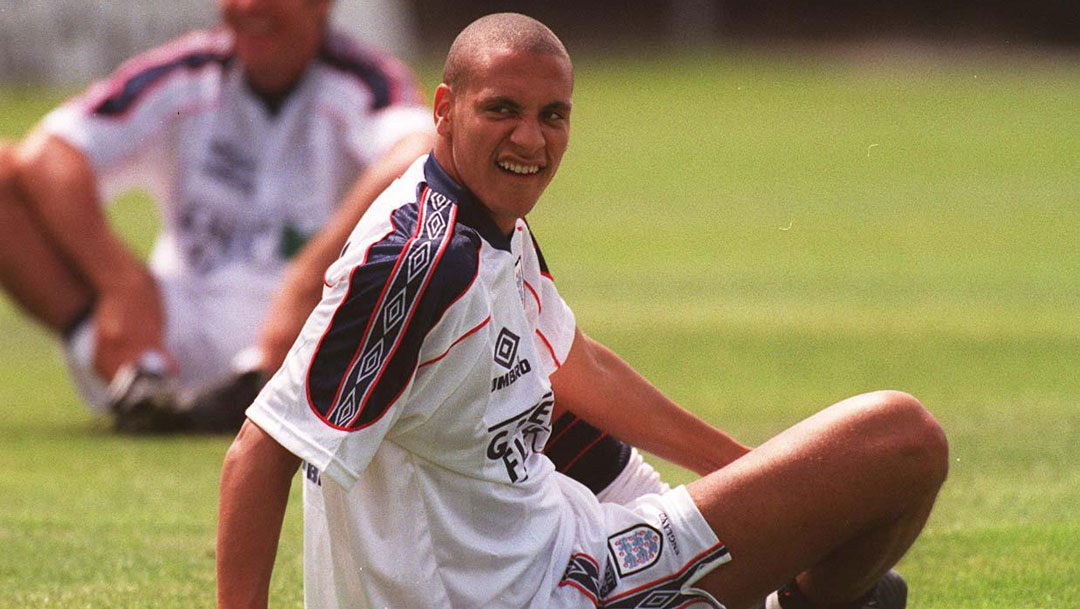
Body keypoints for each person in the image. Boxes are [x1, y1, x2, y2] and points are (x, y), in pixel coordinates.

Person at [217, 12, 948, 609]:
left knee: (843, 470)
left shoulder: (488, 220)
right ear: (444, 108)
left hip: (575, 546)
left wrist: (761, 480)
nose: (530, 139)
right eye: (502, 109)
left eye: (552, 115)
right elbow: (261, 450)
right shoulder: (421, 259)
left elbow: (575, 363)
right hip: (547, 588)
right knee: (901, 438)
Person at [0, 0, 434, 432]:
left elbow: (419, 154)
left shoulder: (363, 79)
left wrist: (306, 284)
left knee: (436, 208)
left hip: (311, 337)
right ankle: (139, 378)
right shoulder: (185, 71)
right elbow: (48, 153)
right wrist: (121, 283)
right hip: (168, 330)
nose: (248, 7)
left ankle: (276, 388)